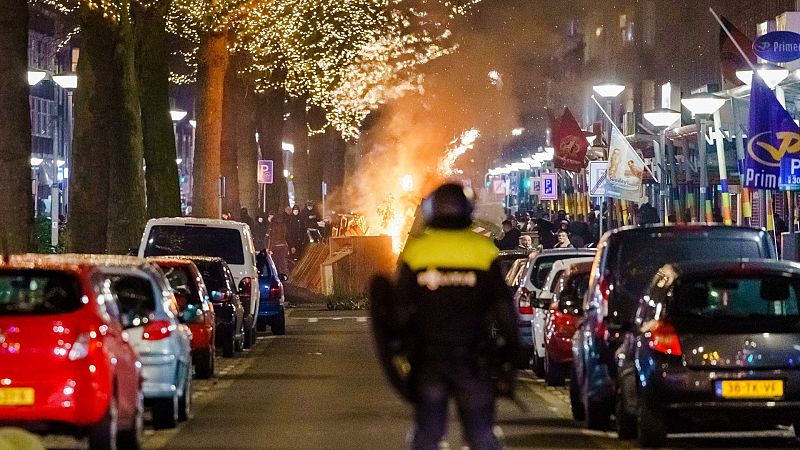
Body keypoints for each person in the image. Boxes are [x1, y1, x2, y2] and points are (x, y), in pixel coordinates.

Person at [394, 183, 518, 450]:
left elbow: (399, 310)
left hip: (428, 362)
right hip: (473, 361)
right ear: (468, 211)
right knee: (482, 436)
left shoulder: (416, 253)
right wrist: (510, 357)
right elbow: (504, 311)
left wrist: (401, 350)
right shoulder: (483, 251)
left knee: (426, 435)